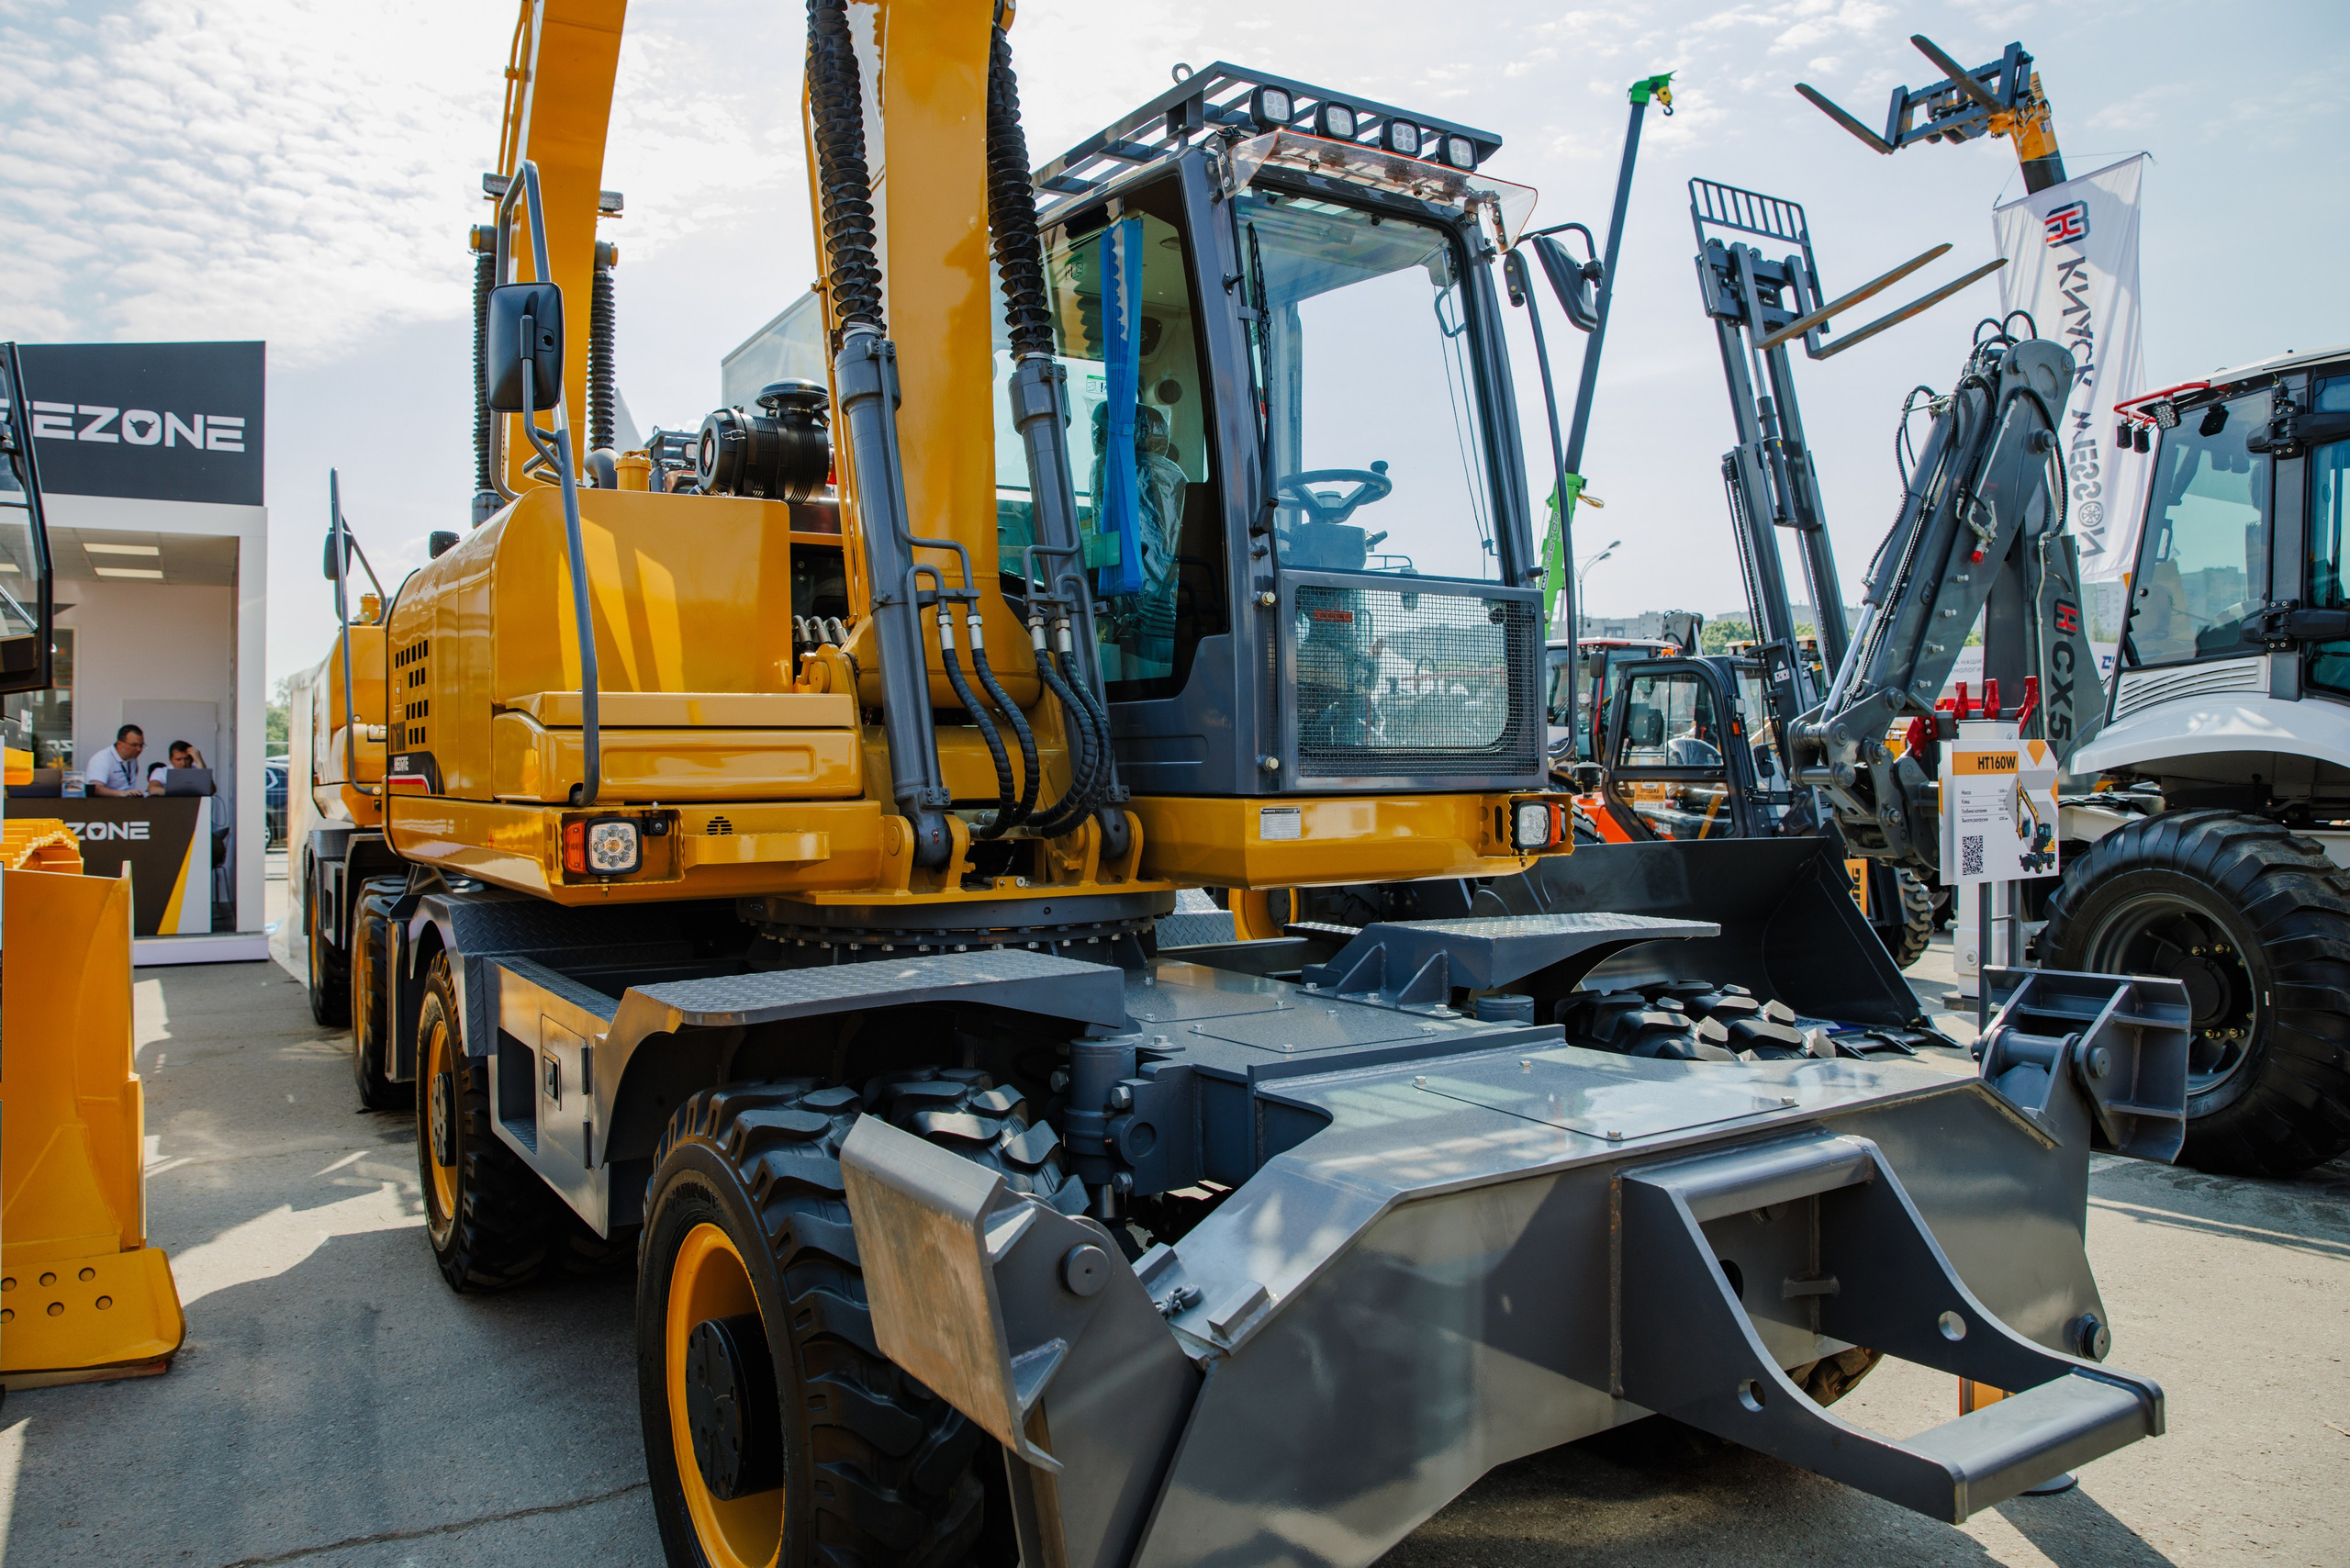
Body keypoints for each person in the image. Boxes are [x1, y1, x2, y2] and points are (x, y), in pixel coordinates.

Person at [85, 724, 147, 798]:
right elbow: (96, 789)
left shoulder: (132, 759)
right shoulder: (101, 759)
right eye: (134, 745)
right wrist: (123, 793)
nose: (139, 749)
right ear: (119, 744)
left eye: (141, 745)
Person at [147, 740, 213, 795]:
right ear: (170, 760)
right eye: (178, 759)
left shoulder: (198, 770)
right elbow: (152, 790)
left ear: (192, 759)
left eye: (186, 759)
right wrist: (185, 792)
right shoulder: (161, 772)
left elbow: (211, 790)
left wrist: (199, 761)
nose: (183, 763)